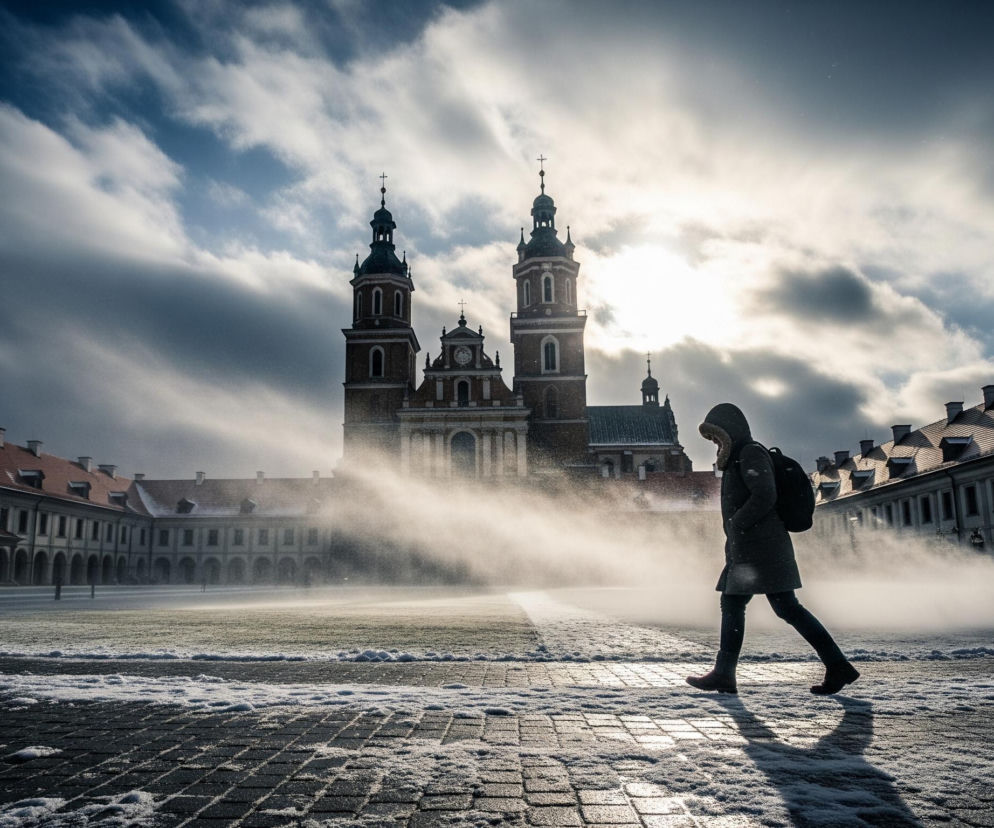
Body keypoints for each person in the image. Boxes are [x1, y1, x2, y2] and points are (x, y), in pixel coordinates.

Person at [686, 403, 859, 696]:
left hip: (762, 549)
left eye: (716, 436)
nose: (714, 443)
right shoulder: (739, 457)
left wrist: (738, 523)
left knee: (776, 607)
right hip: (751, 549)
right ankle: (835, 665)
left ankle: (726, 673)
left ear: (729, 432)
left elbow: (765, 494)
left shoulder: (750, 453)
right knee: (758, 606)